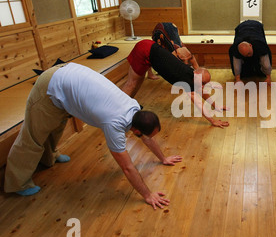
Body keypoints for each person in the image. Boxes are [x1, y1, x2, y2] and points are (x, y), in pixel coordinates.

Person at [4, 62, 182, 209]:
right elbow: (127, 167)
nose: (148, 138)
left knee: (55, 126)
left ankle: (49, 156)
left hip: (68, 79)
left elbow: (147, 137)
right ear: (136, 131)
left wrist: (163, 158)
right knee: (32, 136)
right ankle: (17, 183)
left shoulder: (133, 107)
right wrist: (148, 194)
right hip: (49, 86)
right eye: (145, 135)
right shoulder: (114, 123)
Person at [122, 40, 229, 128]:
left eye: (205, 84)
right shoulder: (187, 80)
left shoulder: (193, 75)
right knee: (132, 83)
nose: (202, 86)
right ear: (196, 74)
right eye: (202, 83)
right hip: (145, 50)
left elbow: (201, 91)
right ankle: (119, 111)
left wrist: (215, 106)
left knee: (138, 81)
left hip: (149, 49)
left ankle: (126, 106)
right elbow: (198, 103)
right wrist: (212, 120)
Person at [229, 20, 272, 84]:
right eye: (246, 55)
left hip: (257, 27)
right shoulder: (235, 49)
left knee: (261, 73)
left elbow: (266, 64)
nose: (248, 56)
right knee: (245, 74)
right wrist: (238, 79)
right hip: (241, 28)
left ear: (250, 45)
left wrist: (268, 77)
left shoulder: (260, 46)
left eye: (249, 53)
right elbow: (236, 66)